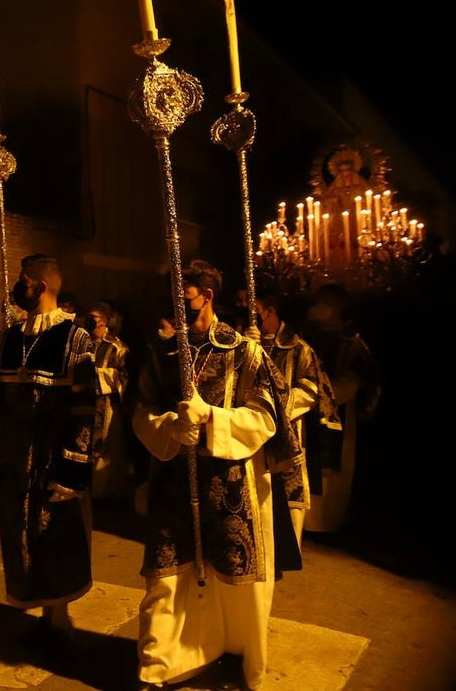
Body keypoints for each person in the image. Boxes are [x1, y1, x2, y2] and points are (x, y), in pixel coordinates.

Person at [130, 259, 300, 691]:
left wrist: (212, 419)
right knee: (166, 577)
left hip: (233, 484)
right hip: (174, 479)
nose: (174, 309)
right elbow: (142, 411)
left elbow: (266, 418)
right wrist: (168, 426)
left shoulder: (245, 351)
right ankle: (159, 666)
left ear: (206, 296)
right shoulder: (162, 353)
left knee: (236, 579)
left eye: (182, 299)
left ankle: (241, 655)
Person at [0, 253, 98, 644]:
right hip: (13, 456)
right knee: (19, 535)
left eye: (22, 281)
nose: (15, 289)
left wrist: (74, 468)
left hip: (52, 455)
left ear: (39, 287)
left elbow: (87, 407)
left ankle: (58, 616)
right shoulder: (8, 337)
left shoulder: (75, 338)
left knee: (56, 533)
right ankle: (36, 607)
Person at [256, 287, 340, 557]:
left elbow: (313, 390)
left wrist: (278, 407)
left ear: (270, 311)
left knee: (287, 488)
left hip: (287, 429)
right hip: (251, 428)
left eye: (255, 310)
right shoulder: (245, 345)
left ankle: (287, 551)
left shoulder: (299, 349)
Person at [301, 283, 379, 534]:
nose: (321, 307)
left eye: (327, 301)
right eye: (319, 300)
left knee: (332, 474)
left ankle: (329, 524)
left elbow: (354, 381)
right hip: (307, 413)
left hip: (338, 415)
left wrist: (317, 395)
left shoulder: (353, 344)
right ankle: (309, 524)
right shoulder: (305, 339)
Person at [84, 300, 132, 501]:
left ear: (103, 321)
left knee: (103, 450)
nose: (88, 322)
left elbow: (123, 377)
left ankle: (102, 494)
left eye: (92, 318)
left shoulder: (117, 348)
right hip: (83, 402)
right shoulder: (82, 342)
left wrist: (99, 376)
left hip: (105, 404)